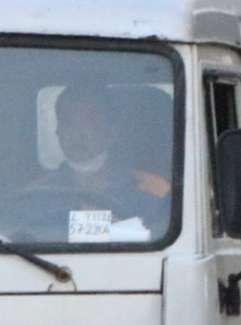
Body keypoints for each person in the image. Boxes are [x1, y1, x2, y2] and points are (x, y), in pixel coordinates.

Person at [20, 82, 172, 238]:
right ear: (58, 131)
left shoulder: (156, 192)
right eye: (67, 121)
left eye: (89, 121)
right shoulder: (36, 195)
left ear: (112, 131)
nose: (76, 133)